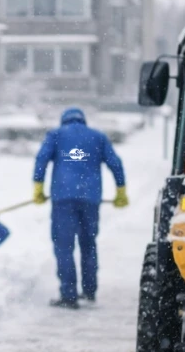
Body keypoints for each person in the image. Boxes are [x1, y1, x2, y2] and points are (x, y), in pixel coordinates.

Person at [33, 108, 129, 309]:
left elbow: (41, 158)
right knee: (88, 244)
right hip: (90, 199)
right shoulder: (98, 137)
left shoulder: (56, 135)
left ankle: (69, 294)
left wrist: (38, 187)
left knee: (64, 246)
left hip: (63, 199)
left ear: (64, 120)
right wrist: (121, 190)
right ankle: (89, 289)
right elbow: (115, 163)